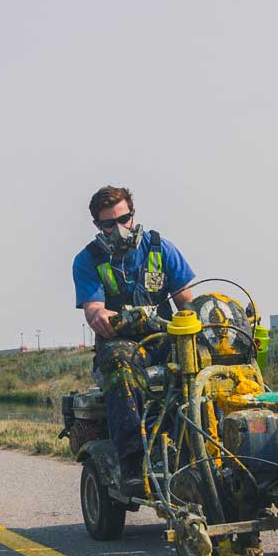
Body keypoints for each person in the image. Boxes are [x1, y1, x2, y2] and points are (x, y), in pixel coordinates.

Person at [72, 184, 196, 476]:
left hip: (165, 338)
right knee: (121, 363)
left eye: (124, 219)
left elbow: (188, 303)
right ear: (98, 226)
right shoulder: (88, 260)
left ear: (133, 215)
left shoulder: (161, 249)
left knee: (205, 362)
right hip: (121, 343)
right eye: (109, 224)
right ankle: (133, 461)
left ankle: (210, 446)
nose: (119, 229)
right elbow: (93, 308)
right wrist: (100, 316)